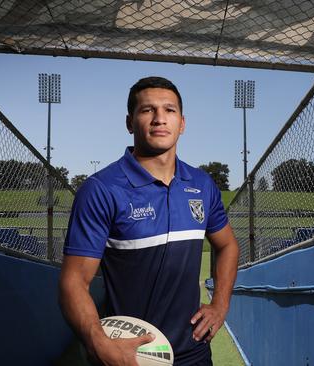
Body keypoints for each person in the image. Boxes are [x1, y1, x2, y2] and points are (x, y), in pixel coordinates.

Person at [59, 76, 239, 366]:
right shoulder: (101, 189)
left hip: (194, 350)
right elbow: (73, 281)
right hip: (127, 354)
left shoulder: (202, 185)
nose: (159, 119)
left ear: (182, 123)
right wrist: (97, 341)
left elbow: (228, 245)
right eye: (147, 110)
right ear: (130, 123)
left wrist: (220, 304)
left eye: (169, 110)